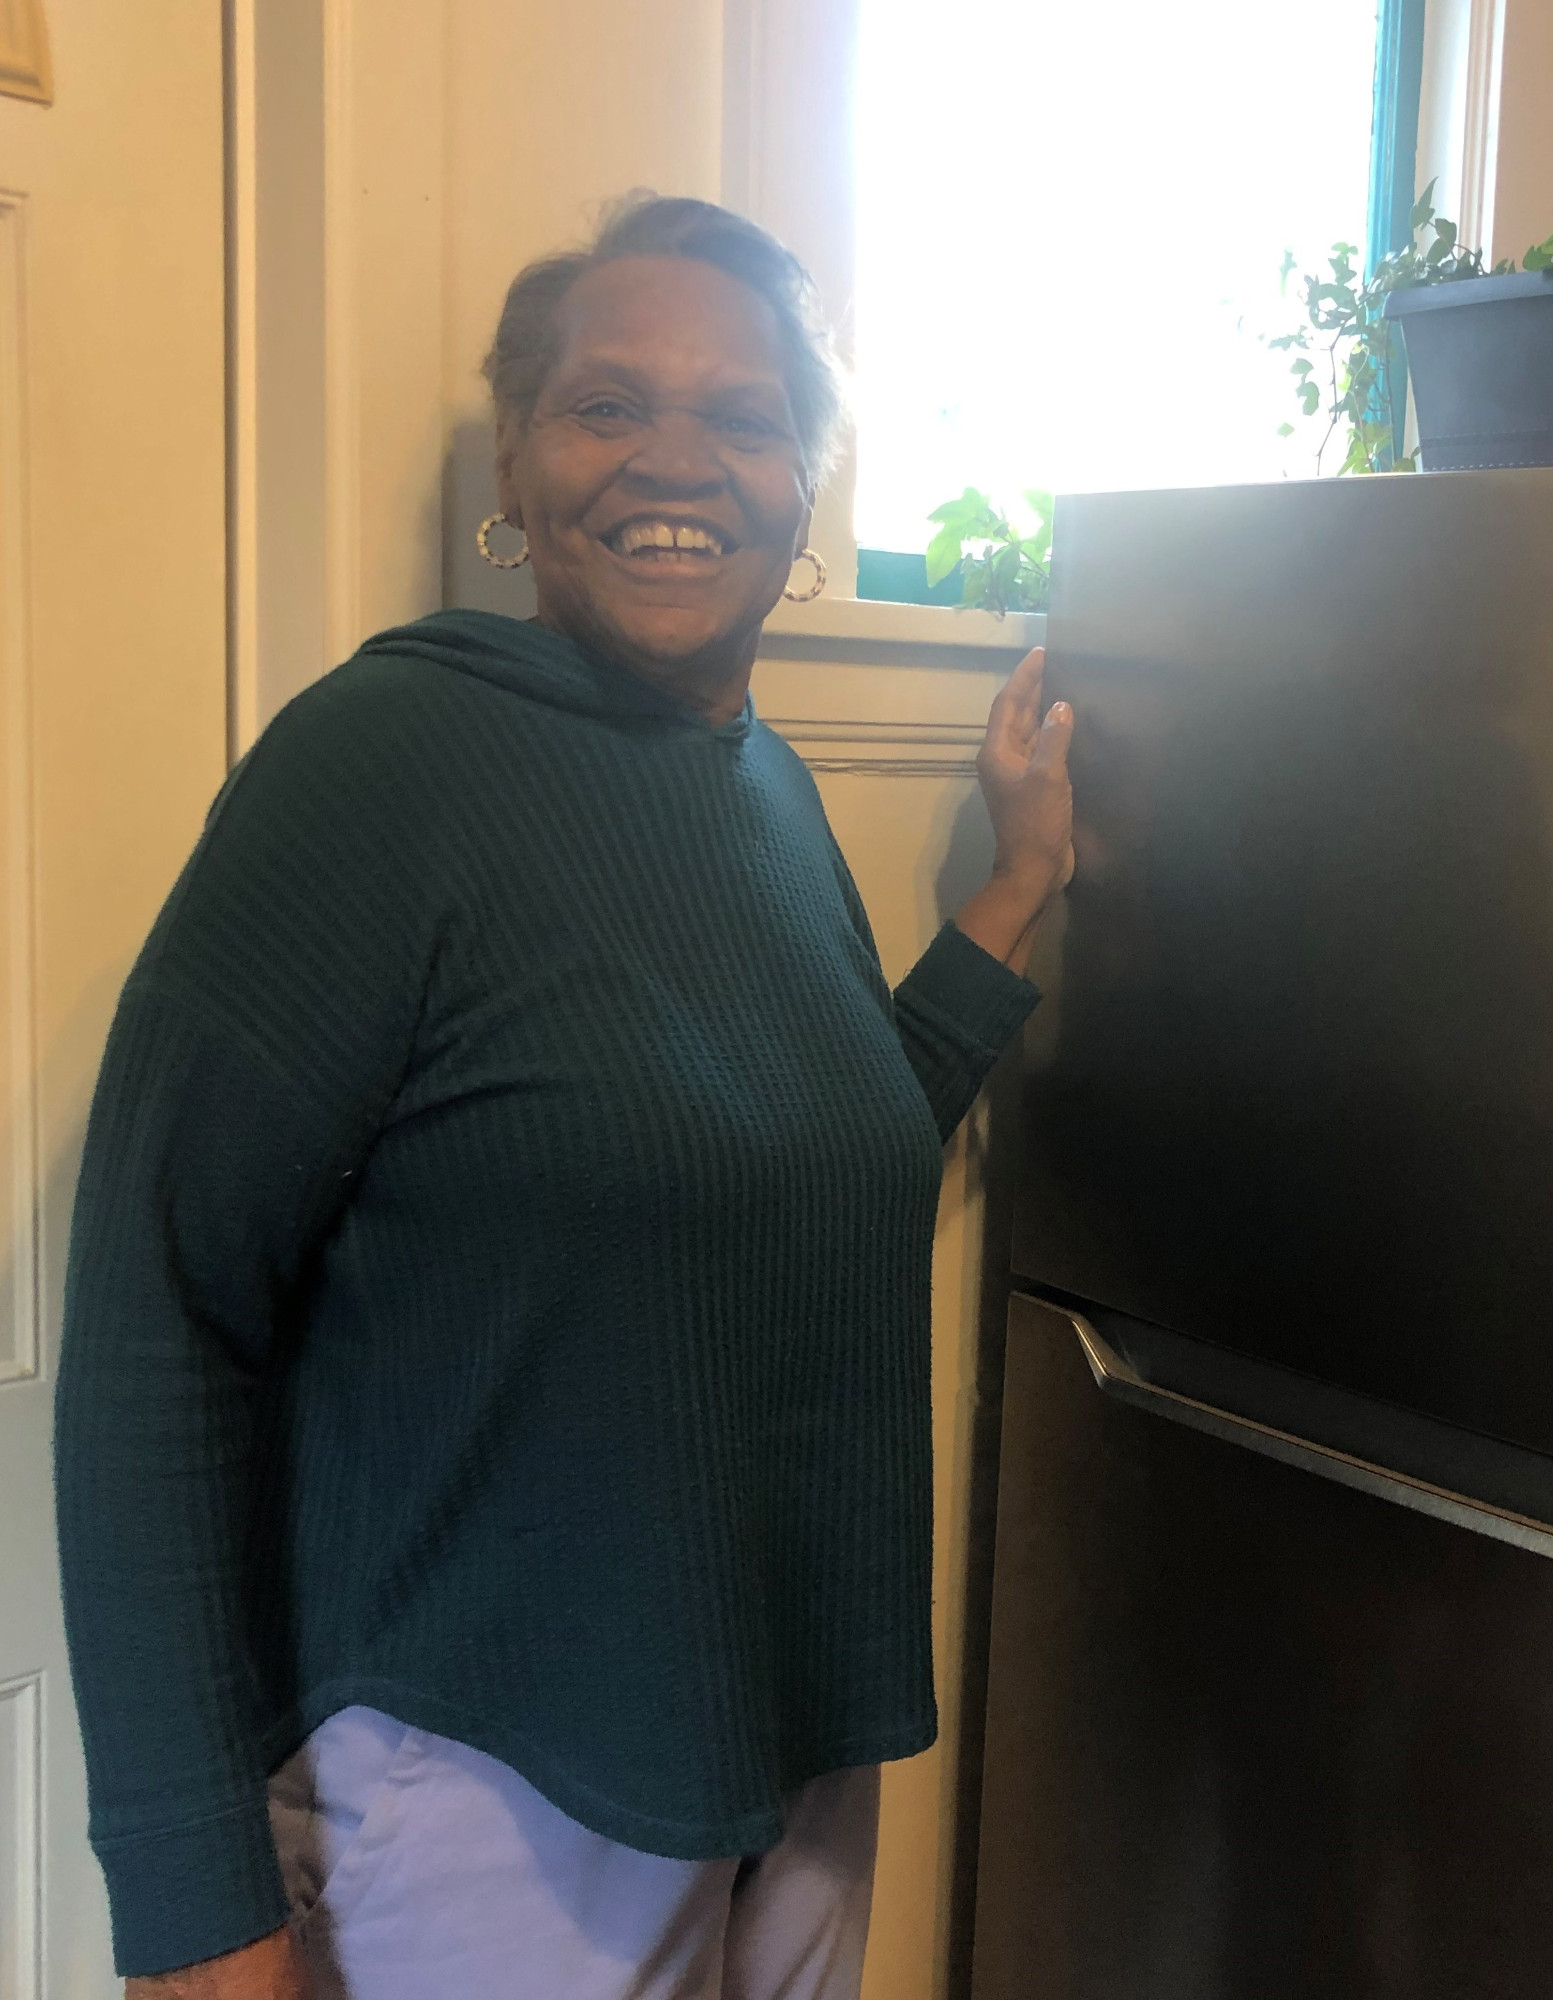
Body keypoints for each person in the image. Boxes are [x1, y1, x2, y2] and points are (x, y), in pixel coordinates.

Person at [53, 195, 1075, 2000]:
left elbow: (801, 1187)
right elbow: (156, 1324)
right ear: (514, 472)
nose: (674, 460)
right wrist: (189, 1903)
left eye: (742, 418)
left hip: (787, 1740)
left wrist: (1000, 904)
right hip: (486, 1781)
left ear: (806, 488)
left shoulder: (763, 796)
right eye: (608, 405)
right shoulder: (382, 766)